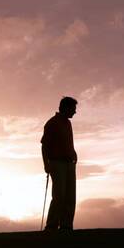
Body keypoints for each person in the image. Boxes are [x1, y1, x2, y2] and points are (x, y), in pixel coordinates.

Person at [41, 96, 78, 232]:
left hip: (69, 163)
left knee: (70, 196)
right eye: (73, 109)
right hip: (57, 163)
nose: (75, 112)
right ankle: (51, 225)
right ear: (66, 108)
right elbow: (44, 146)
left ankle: (66, 226)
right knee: (59, 195)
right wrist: (46, 164)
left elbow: (68, 143)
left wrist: (74, 154)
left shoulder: (68, 123)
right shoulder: (52, 123)